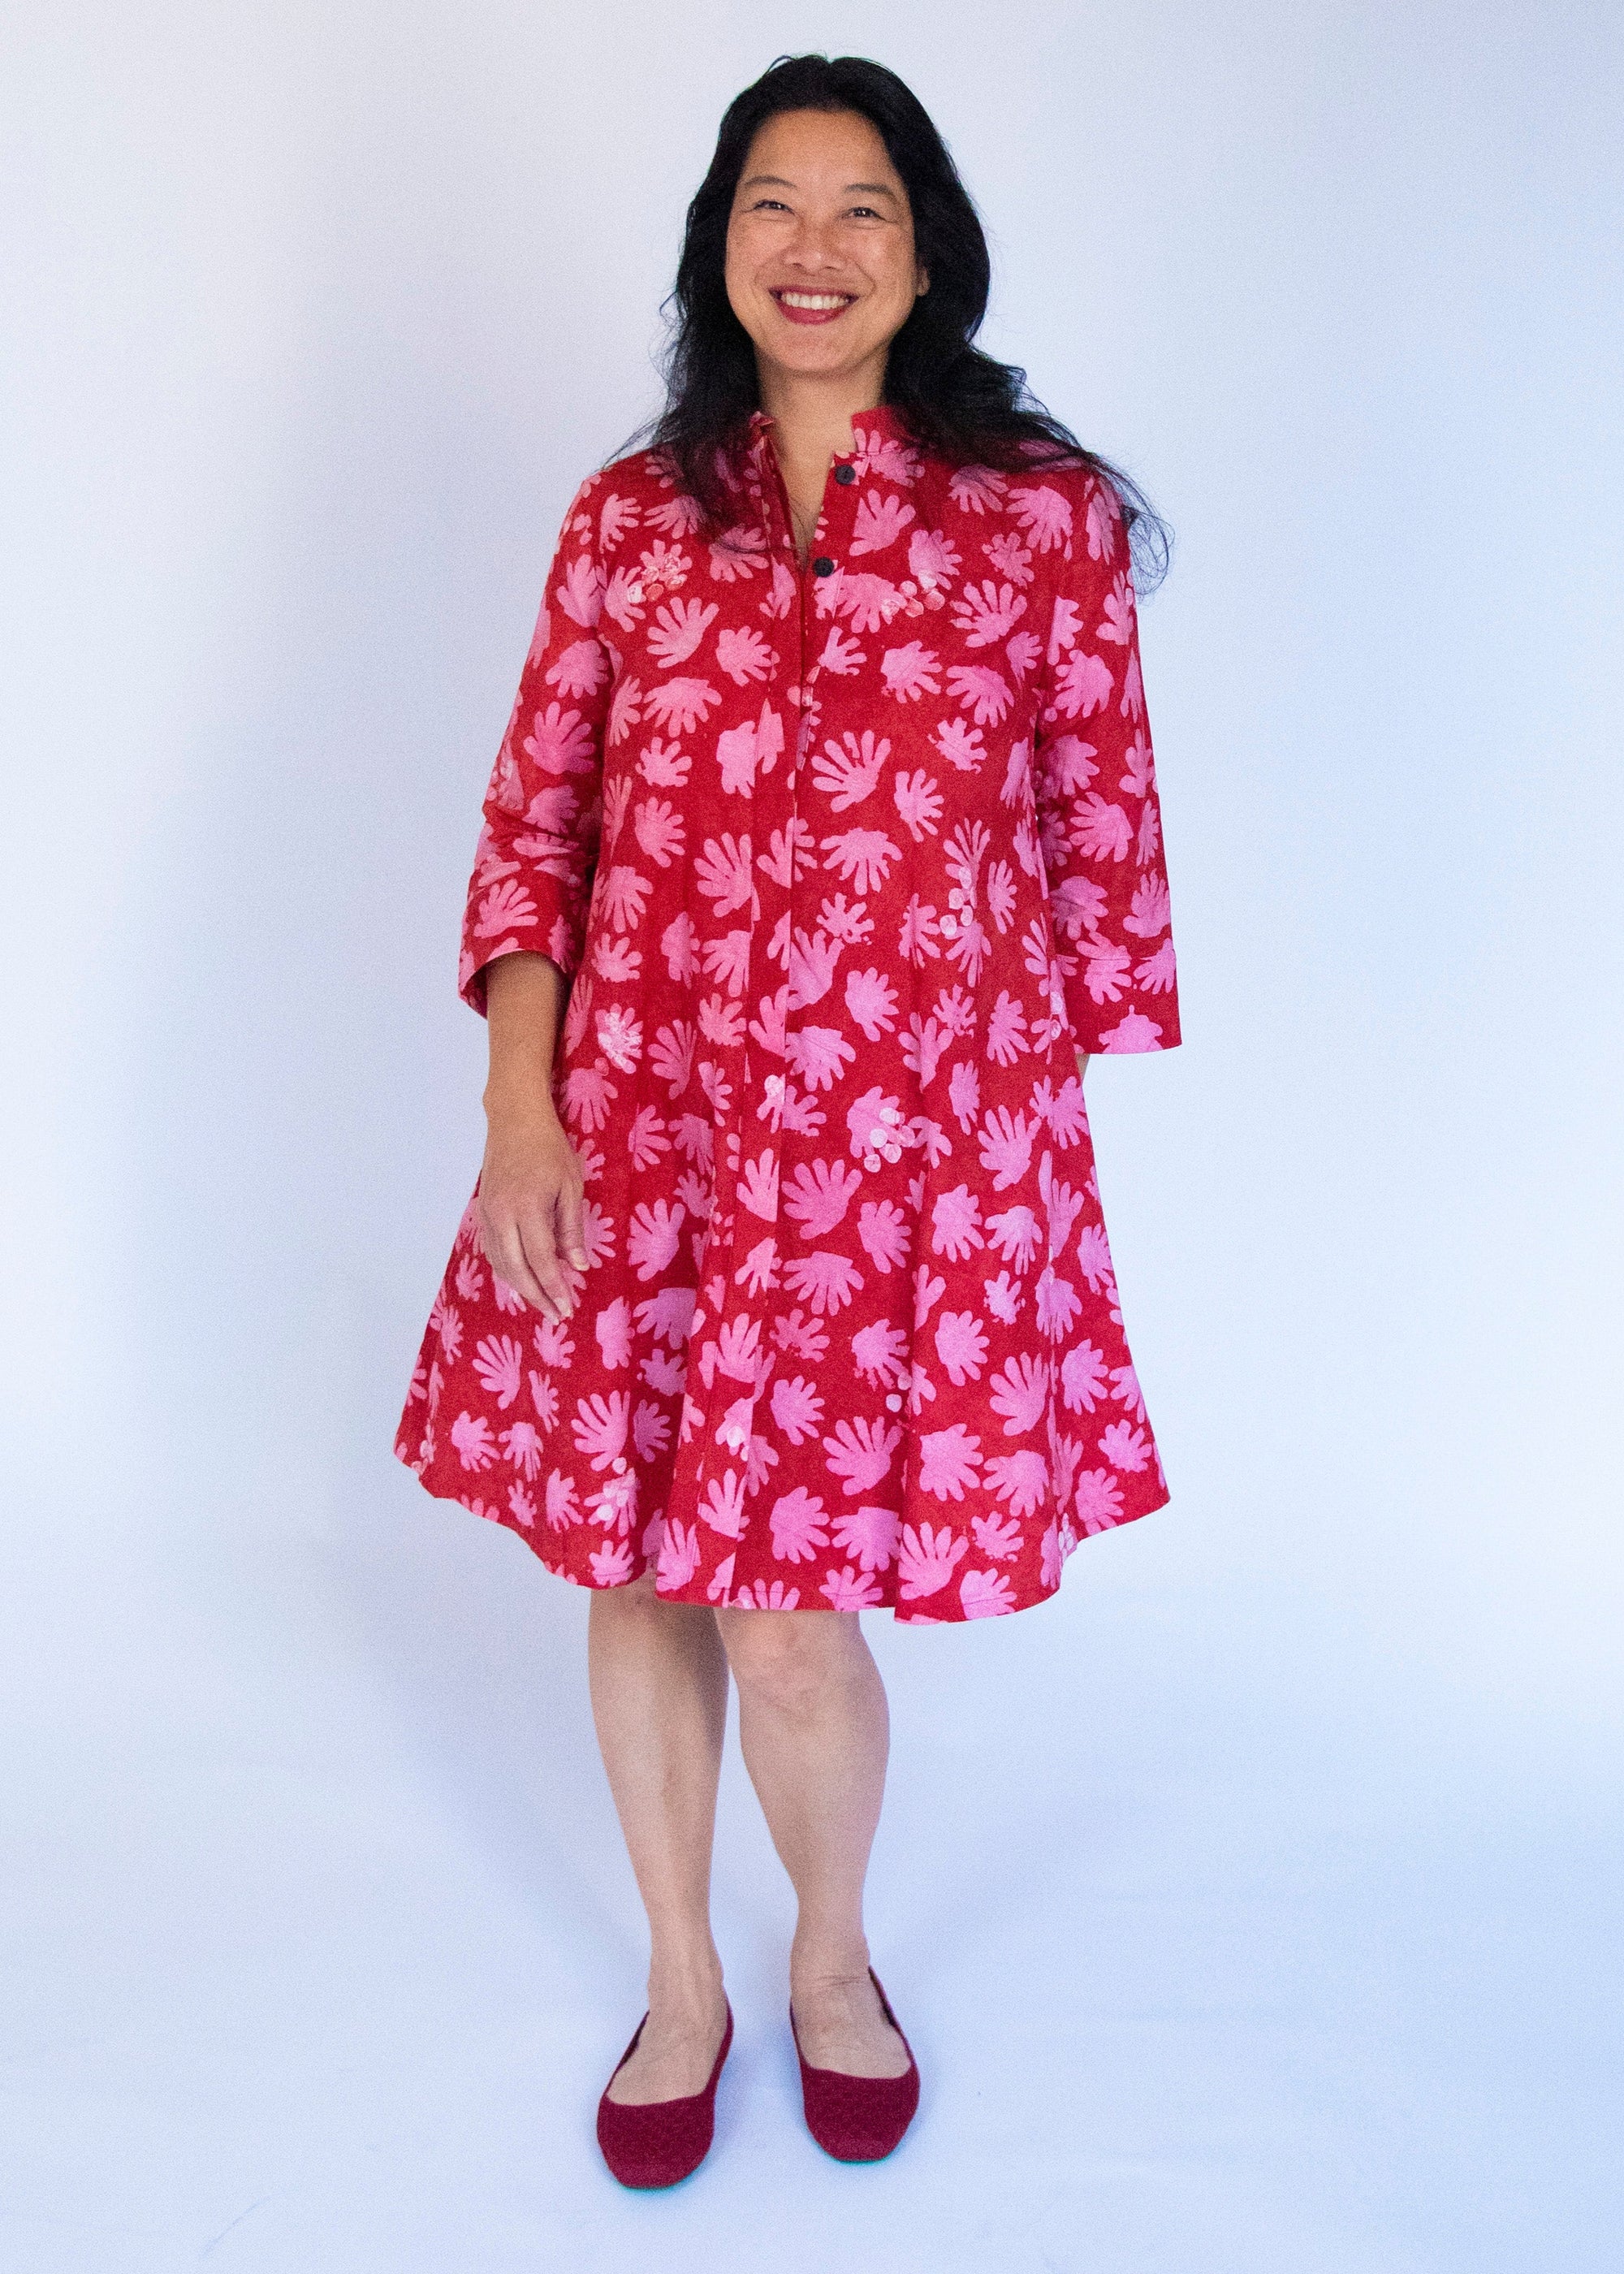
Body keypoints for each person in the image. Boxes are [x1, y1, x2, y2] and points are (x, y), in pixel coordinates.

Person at [395, 51, 1181, 2188]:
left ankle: (833, 1958)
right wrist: (520, 1108)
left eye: (860, 209)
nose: (812, 249)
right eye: (772, 203)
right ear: (719, 244)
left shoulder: (1038, 523)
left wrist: (996, 1172)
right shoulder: (635, 526)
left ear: (925, 254)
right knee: (641, 1570)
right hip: (633, 1133)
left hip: (892, 1166)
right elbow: (533, 830)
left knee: (793, 1615)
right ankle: (683, 1977)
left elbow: (1095, 850)